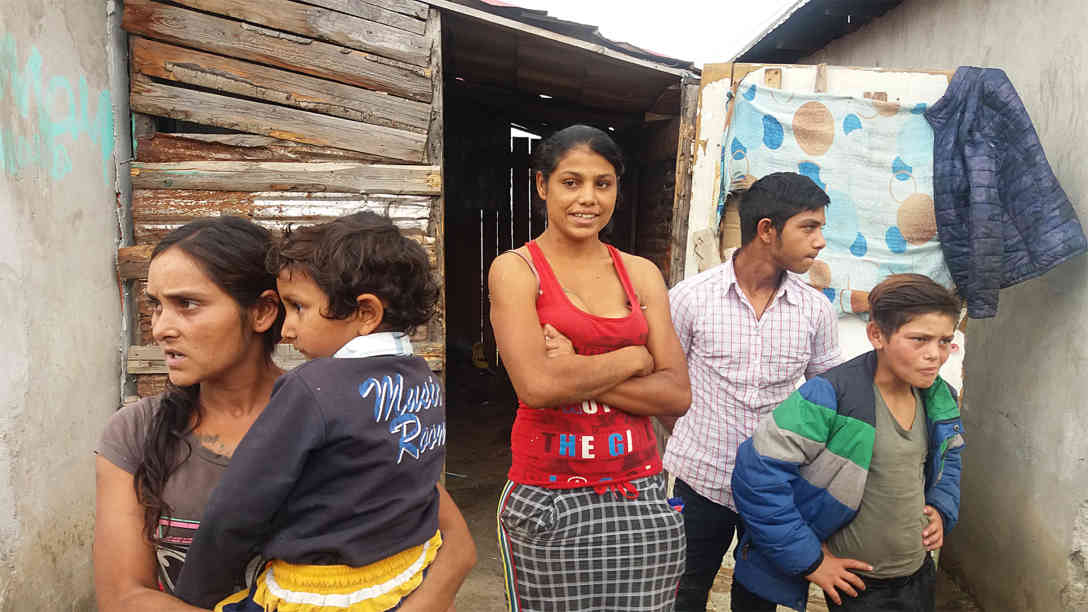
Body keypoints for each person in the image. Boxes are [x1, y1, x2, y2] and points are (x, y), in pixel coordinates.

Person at [94, 216, 475, 612]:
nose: (160, 329)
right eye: (156, 305)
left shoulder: (338, 409)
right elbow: (123, 597)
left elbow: (456, 546)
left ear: (262, 311)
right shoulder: (136, 431)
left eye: (187, 304)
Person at [488, 124, 691, 611]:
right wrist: (633, 358)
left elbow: (677, 395)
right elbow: (536, 386)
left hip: (640, 488)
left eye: (603, 184)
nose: (588, 199)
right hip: (548, 494)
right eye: (571, 182)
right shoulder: (517, 270)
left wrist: (575, 367)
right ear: (542, 186)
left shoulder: (640, 273)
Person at [731, 274, 965, 612]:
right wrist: (810, 560)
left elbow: (951, 456)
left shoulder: (939, 397)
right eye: (920, 339)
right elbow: (756, 475)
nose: (936, 355)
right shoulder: (831, 395)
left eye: (944, 341)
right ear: (877, 335)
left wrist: (942, 508)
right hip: (858, 584)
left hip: (916, 572)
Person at [663, 171, 843, 611]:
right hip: (702, 479)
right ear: (766, 230)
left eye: (820, 228)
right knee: (684, 592)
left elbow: (830, 396)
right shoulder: (691, 299)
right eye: (809, 227)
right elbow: (665, 385)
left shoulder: (815, 309)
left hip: (777, 488)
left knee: (760, 597)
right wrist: (690, 442)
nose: (819, 241)